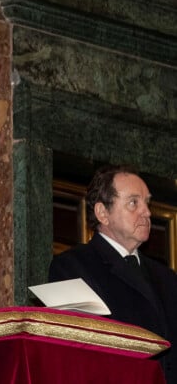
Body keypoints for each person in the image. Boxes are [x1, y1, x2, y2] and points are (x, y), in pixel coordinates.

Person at [49, 164, 177, 383]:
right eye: (133, 203)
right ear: (102, 213)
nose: (147, 212)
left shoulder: (167, 277)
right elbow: (78, 353)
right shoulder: (68, 268)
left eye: (147, 202)